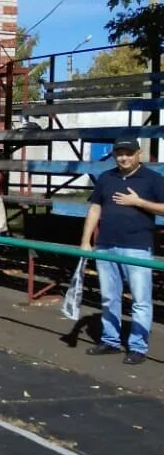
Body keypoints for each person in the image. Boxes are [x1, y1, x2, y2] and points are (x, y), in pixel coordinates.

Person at [82, 138, 164, 365]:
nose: (123, 158)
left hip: (137, 247)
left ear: (138, 154)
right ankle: (110, 340)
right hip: (107, 245)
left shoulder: (153, 179)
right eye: (119, 153)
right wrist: (86, 241)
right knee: (109, 297)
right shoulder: (107, 178)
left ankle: (138, 346)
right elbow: (95, 207)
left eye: (128, 153)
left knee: (140, 300)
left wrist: (138, 202)